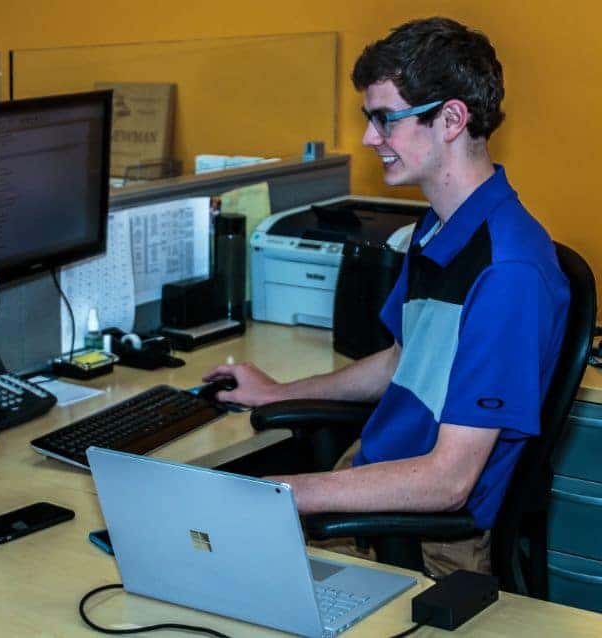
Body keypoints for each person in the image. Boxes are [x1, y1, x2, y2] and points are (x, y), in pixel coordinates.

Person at [204, 17, 570, 576]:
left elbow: (450, 481)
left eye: (385, 120)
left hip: (430, 542)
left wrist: (289, 492)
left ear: (451, 119)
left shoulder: (508, 271)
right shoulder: (442, 228)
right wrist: (277, 394)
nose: (370, 139)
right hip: (377, 478)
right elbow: (404, 360)